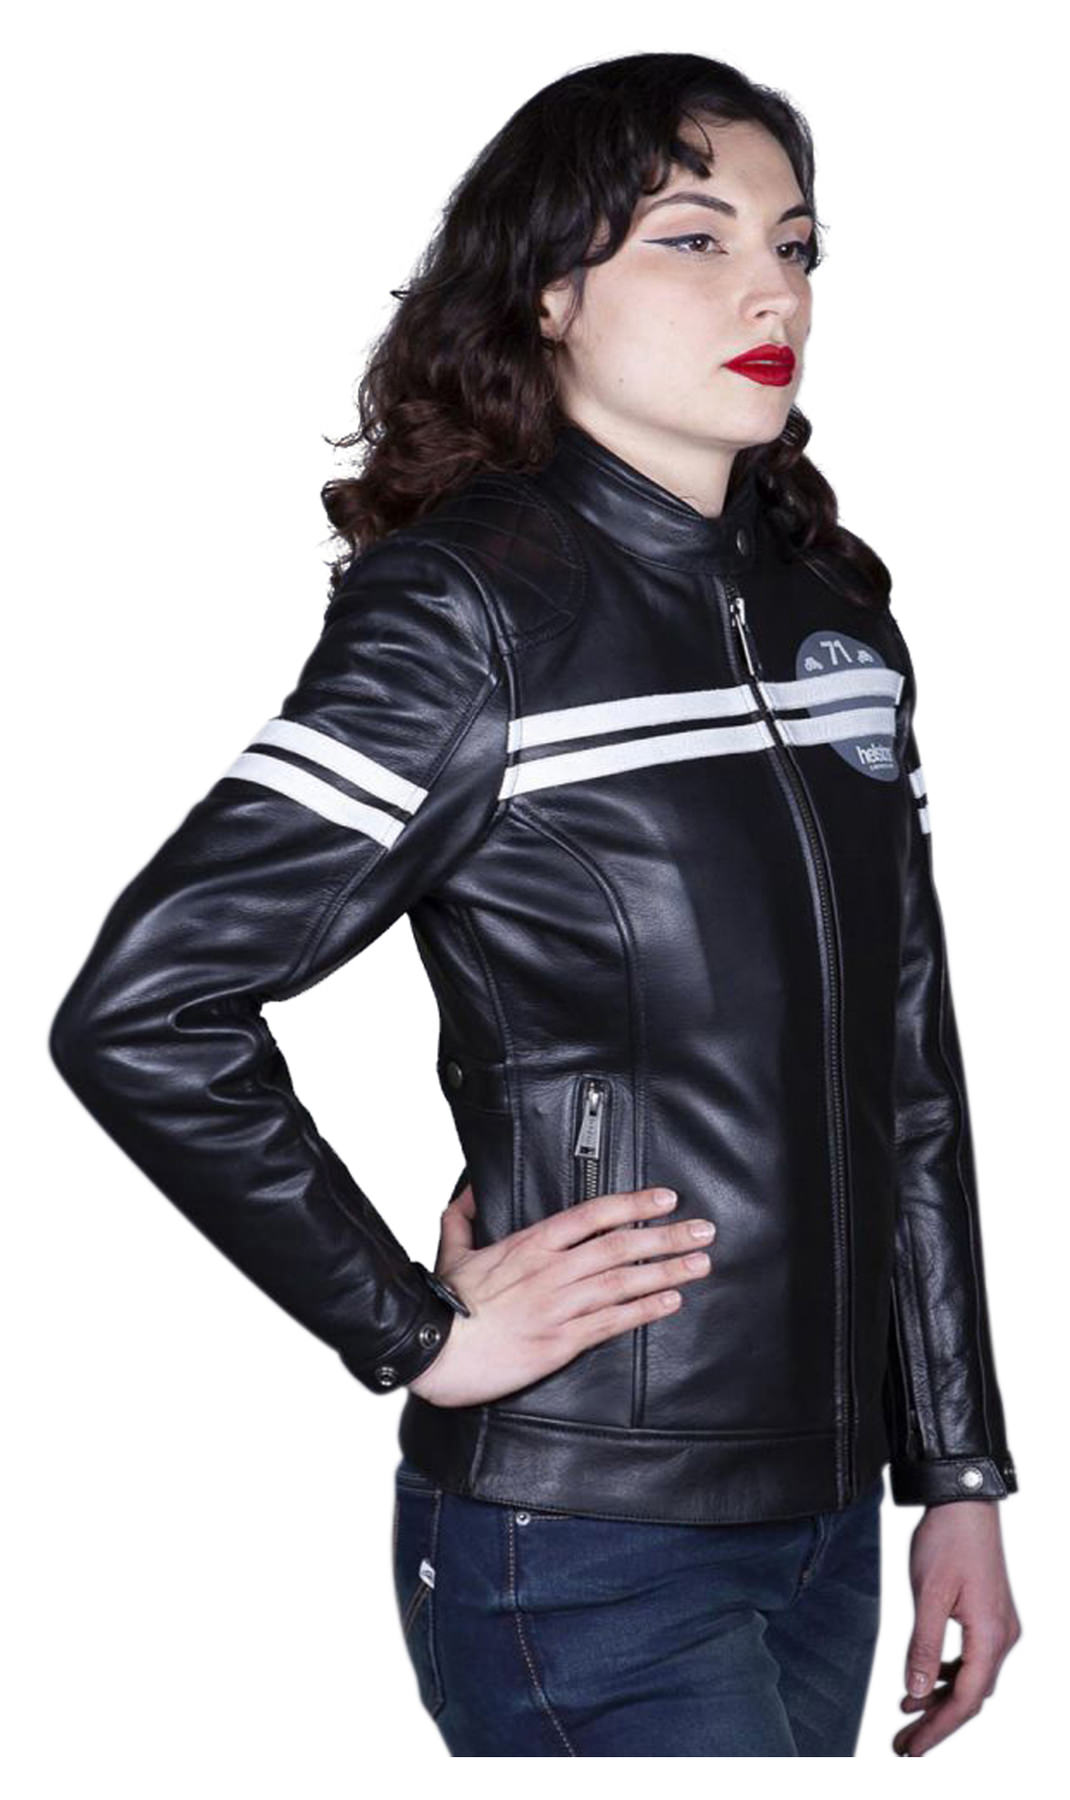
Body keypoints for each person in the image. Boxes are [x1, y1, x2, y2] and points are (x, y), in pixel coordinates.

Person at [48, 51, 1022, 1757]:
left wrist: (952, 1475)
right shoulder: (469, 614)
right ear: (548, 292)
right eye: (693, 240)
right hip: (581, 1538)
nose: (771, 292)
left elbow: (908, 1078)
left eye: (794, 246)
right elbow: (146, 1010)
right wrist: (409, 1329)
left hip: (824, 1534)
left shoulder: (839, 630)